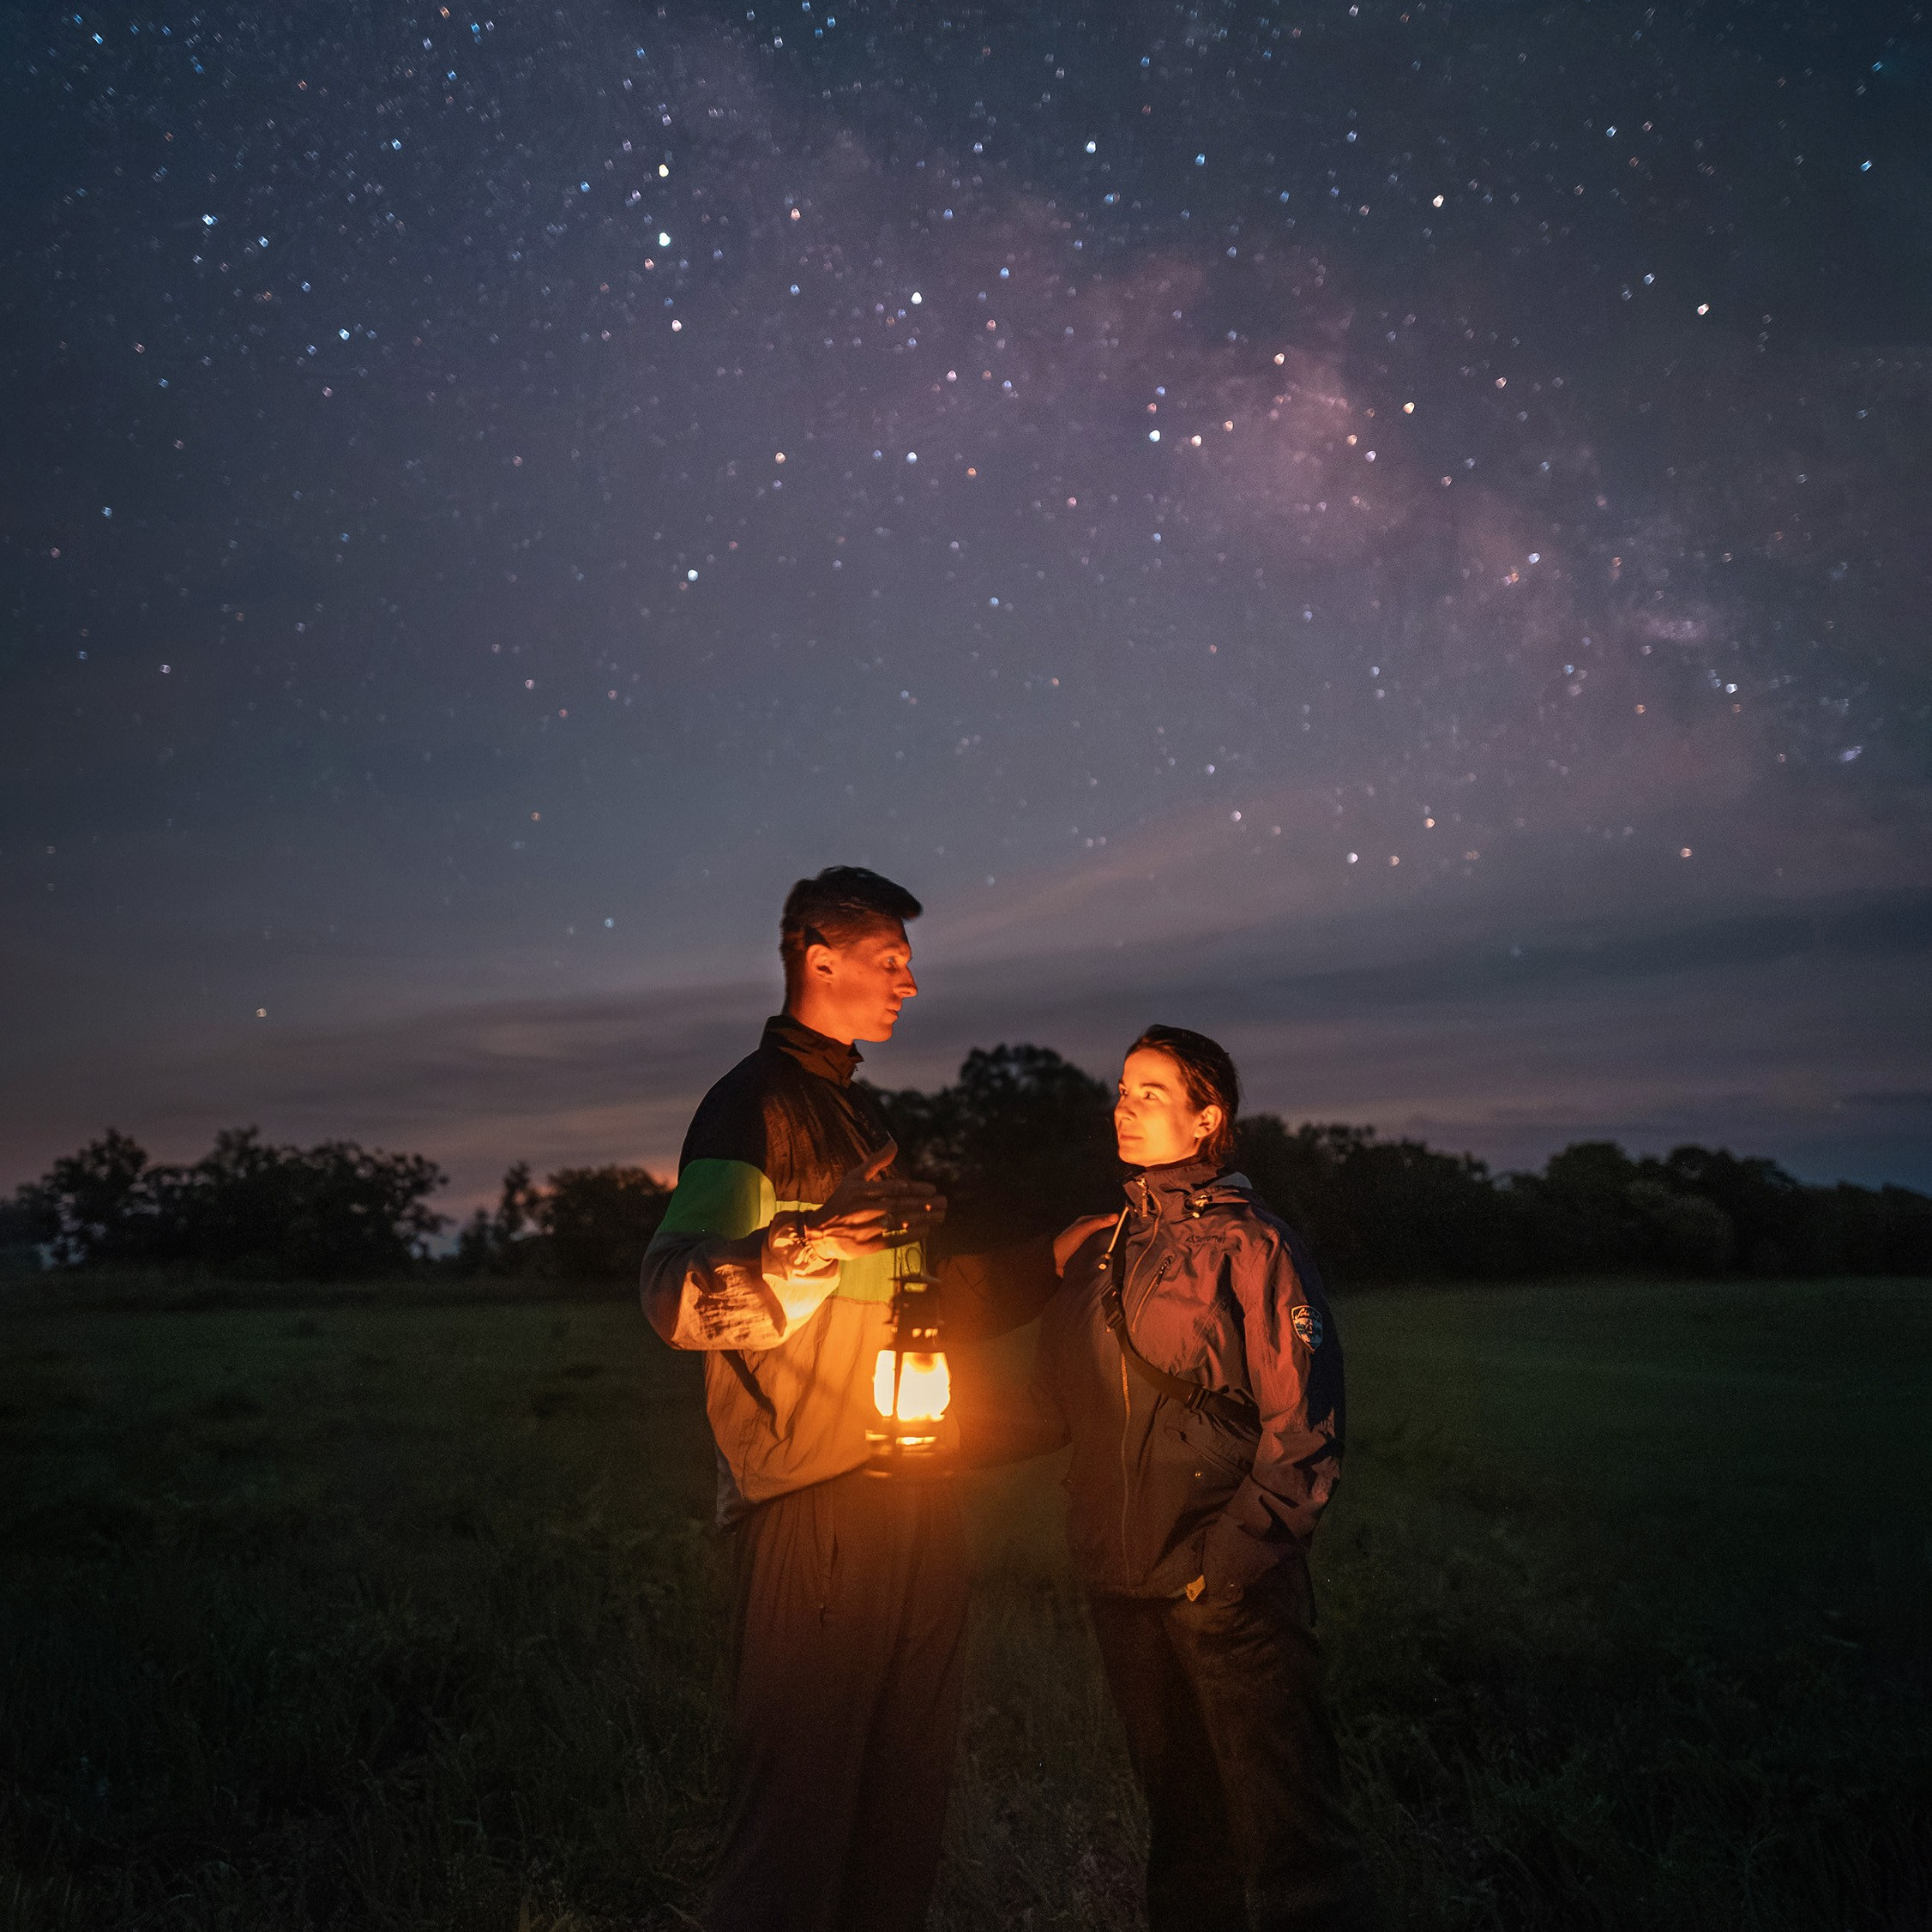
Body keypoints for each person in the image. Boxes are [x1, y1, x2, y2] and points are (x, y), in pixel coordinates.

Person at [641, 866, 1060, 1932]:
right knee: (798, 1822)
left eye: (910, 966)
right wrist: (811, 1238)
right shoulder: (755, 1108)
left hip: (912, 1495)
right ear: (818, 958)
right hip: (809, 1505)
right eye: (892, 962)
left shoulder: (855, 1119)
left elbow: (913, 1306)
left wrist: (1054, 1260)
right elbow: (676, 1297)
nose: (910, 986)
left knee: (902, 1803)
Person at [983, 1025, 1369, 1932]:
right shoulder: (1104, 1252)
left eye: (1151, 1092)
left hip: (1223, 1592)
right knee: (1183, 1833)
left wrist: (1224, 1570)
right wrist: (920, 1438)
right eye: (1122, 1088)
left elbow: (1304, 1431)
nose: (1124, 1104)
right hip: (1122, 1587)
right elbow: (1048, 1409)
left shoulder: (1252, 1246)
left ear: (1207, 1120)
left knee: (1289, 1837)